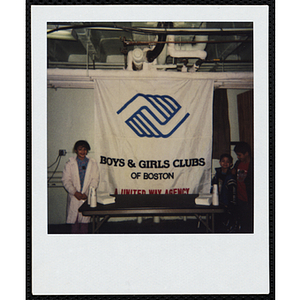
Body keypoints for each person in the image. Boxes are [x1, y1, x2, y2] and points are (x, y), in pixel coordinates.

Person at [62, 140, 100, 234]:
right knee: (74, 223)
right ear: (75, 150)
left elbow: (95, 179)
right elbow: (66, 180)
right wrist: (74, 192)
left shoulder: (92, 163)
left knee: (84, 224)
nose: (83, 152)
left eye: (85, 149)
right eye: (80, 149)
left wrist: (87, 193)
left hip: (85, 196)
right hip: (74, 196)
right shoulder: (70, 164)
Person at [211, 153, 237, 232]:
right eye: (223, 161)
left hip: (227, 203)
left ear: (231, 164)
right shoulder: (217, 173)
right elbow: (213, 185)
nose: (225, 163)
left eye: (227, 162)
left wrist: (231, 204)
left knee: (226, 222)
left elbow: (233, 192)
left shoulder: (231, 176)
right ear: (219, 162)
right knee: (217, 222)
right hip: (217, 201)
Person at [232, 141, 253, 232]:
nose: (238, 157)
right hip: (239, 198)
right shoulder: (238, 163)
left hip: (249, 199)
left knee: (248, 223)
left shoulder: (253, 165)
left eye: (239, 155)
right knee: (241, 220)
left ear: (246, 153)